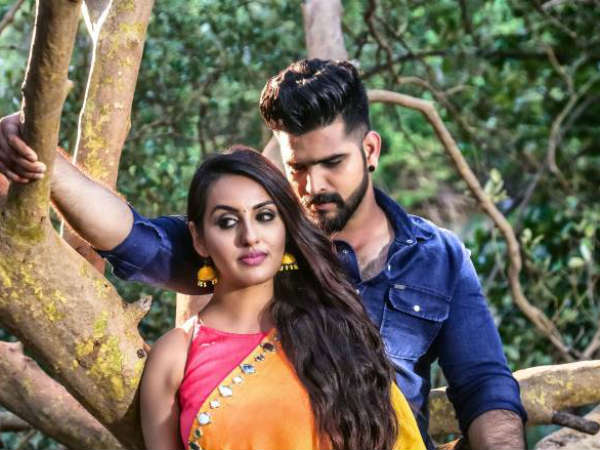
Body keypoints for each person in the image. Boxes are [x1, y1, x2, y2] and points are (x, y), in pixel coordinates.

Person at [0, 59, 527, 449]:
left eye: (332, 163)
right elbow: (135, 239)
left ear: (370, 151)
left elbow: (484, 386)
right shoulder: (262, 243)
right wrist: (41, 154)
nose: (313, 186)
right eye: (298, 168)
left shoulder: (439, 257)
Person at [138, 147, 424, 450]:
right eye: (227, 222)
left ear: (285, 226)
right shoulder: (176, 357)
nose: (250, 236)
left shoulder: (336, 331)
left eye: (264, 216)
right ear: (199, 239)